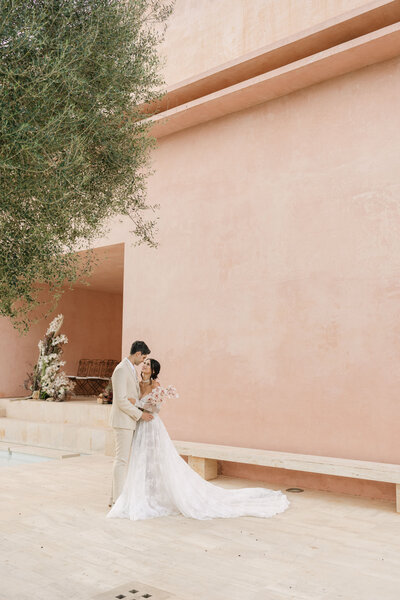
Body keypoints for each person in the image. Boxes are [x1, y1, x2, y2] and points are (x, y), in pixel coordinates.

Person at [108, 358, 289, 520]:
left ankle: (157, 494)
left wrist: (143, 408)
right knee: (141, 460)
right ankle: (144, 493)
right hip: (140, 425)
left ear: (154, 370)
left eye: (148, 364)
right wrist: (139, 410)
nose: (145, 365)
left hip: (152, 426)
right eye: (145, 363)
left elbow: (157, 409)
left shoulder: (156, 387)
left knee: (157, 460)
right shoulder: (137, 385)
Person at [109, 341, 154, 507]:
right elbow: (121, 400)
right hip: (122, 421)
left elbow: (129, 397)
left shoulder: (130, 369)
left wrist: (137, 403)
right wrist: (140, 414)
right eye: (143, 357)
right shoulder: (121, 370)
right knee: (121, 461)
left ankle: (113, 498)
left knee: (122, 461)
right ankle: (118, 501)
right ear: (137, 353)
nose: (143, 360)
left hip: (128, 420)